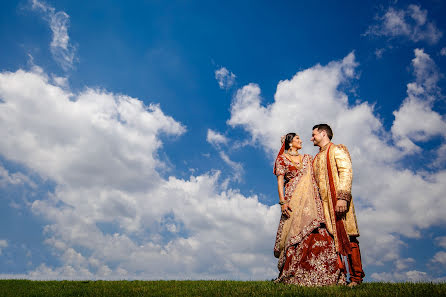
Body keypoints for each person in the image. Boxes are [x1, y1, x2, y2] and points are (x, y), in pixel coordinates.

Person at [273, 132, 346, 286]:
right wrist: (283, 202)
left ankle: (326, 274)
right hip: (294, 199)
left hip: (312, 202)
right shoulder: (282, 159)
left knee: (319, 231)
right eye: (297, 138)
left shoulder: (308, 158)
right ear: (290, 143)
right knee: (295, 231)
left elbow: (320, 173)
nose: (301, 140)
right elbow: (280, 181)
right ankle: (293, 272)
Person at [311, 124, 365, 287]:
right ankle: (338, 278)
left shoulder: (336, 150)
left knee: (348, 236)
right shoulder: (317, 157)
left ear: (323, 133)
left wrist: (342, 198)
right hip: (323, 206)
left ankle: (356, 278)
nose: (311, 138)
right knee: (328, 238)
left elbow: (346, 171)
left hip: (338, 202)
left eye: (314, 135)